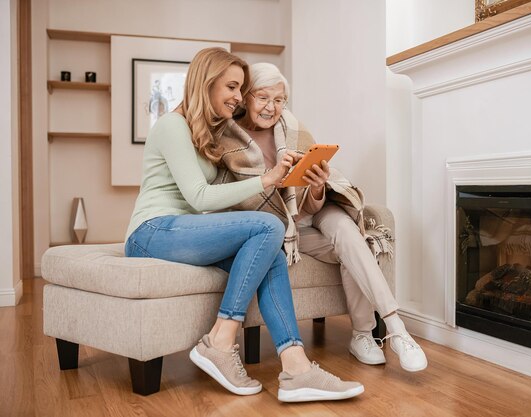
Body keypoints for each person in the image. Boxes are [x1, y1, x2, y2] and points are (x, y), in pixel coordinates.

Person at [124, 48, 364, 403]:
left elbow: (261, 126)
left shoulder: (204, 130)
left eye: (241, 89)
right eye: (233, 87)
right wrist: (268, 180)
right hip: (152, 232)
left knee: (272, 253)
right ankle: (220, 341)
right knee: (268, 226)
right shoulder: (172, 125)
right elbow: (200, 198)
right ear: (207, 84)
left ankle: (296, 368)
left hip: (182, 231)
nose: (239, 97)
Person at [216, 62, 428, 373]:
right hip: (280, 229)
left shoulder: (293, 128)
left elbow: (311, 206)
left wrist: (316, 186)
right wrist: (275, 180)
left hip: (310, 217)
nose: (271, 107)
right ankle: (364, 332)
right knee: (356, 248)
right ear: (246, 97)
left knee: (346, 230)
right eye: (262, 98)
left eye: (279, 100)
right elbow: (242, 201)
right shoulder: (229, 141)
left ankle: (394, 330)